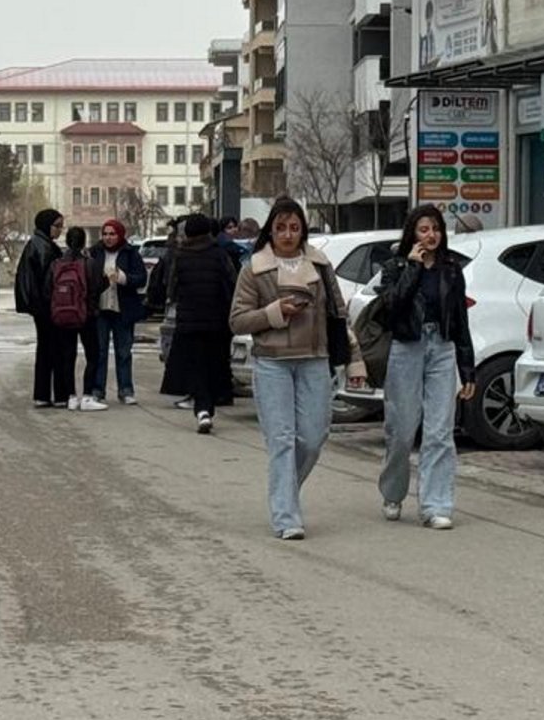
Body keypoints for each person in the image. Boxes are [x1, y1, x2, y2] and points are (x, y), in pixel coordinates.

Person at [228, 197, 366, 540]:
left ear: (303, 229)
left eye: (294, 227)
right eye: (280, 228)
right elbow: (237, 320)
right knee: (282, 440)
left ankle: (286, 490)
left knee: (313, 436)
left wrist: (355, 359)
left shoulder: (319, 264)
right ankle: (287, 516)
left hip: (315, 360)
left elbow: (338, 315)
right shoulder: (254, 267)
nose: (288, 235)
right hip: (272, 362)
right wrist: (275, 312)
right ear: (270, 232)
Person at [370, 204, 478, 530]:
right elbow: (391, 309)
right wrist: (413, 269)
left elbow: (460, 319)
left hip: (441, 348)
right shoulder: (395, 267)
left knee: (440, 432)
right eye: (424, 229)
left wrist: (467, 368)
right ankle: (393, 492)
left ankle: (436, 505)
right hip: (406, 347)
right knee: (401, 431)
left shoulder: (451, 269)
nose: (431, 235)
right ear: (412, 234)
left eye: (436, 229)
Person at [151, 213, 238, 434]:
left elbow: (171, 289)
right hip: (217, 321)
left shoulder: (181, 257)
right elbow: (232, 283)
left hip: (189, 322)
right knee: (214, 363)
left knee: (196, 365)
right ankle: (209, 406)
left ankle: (201, 409)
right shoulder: (219, 254)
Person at [85, 218, 148, 407]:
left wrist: (123, 278)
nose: (108, 237)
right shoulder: (95, 253)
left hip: (123, 310)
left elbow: (141, 279)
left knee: (123, 352)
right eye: (105, 234)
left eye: (112, 234)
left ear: (120, 235)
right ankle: (98, 390)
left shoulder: (131, 254)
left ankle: (126, 390)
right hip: (101, 310)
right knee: (100, 352)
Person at [14, 208, 72, 408]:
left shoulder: (37, 245)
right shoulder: (44, 248)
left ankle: (43, 394)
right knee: (55, 350)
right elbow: (46, 281)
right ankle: (59, 395)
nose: (59, 230)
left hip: (41, 307)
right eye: (57, 226)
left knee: (45, 350)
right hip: (47, 307)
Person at [60, 226, 98, 411]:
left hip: (64, 315)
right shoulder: (89, 263)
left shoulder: (57, 263)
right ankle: (88, 396)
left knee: (68, 356)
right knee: (93, 355)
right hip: (86, 314)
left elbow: (48, 289)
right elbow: (98, 286)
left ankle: (71, 397)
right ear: (84, 242)